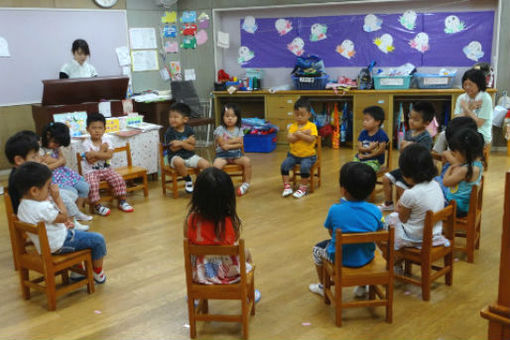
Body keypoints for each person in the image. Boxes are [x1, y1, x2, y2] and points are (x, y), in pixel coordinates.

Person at [14, 162, 107, 284]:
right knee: (98, 240)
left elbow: (47, 222)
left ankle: (77, 272)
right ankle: (97, 273)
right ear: (35, 191)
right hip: (59, 244)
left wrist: (62, 224)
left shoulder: (22, 206)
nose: (50, 190)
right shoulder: (42, 207)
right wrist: (57, 198)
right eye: (48, 187)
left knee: (77, 233)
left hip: (46, 245)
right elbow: (64, 216)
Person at [184, 167, 260, 301]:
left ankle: (195, 297)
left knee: (200, 257)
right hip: (226, 274)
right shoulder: (231, 222)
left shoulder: (190, 220)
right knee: (246, 252)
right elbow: (233, 242)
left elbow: (188, 239)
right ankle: (249, 291)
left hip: (200, 275)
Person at [308, 162, 383, 298]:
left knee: (316, 250)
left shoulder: (335, 209)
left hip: (340, 259)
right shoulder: (375, 211)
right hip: (366, 257)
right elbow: (379, 231)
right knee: (363, 242)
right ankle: (361, 286)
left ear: (343, 190)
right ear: (371, 189)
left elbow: (331, 232)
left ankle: (322, 286)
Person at [5, 131, 89, 231]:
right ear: (19, 160)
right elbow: (38, 197)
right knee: (63, 199)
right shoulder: (22, 177)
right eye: (34, 156)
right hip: (33, 213)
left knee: (70, 194)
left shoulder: (23, 172)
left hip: (36, 206)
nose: (38, 158)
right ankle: (69, 224)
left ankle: (70, 220)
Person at [384, 144, 446, 256]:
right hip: (434, 232)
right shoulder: (436, 184)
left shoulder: (410, 194)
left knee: (385, 223)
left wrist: (398, 209)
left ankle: (394, 263)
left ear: (406, 173)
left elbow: (402, 219)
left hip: (415, 237)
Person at [379, 102, 435, 211]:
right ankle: (389, 203)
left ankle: (407, 208)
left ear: (426, 123)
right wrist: (402, 147)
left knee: (400, 185)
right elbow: (402, 152)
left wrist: (411, 146)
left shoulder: (426, 137)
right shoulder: (409, 133)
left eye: (416, 119)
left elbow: (423, 156)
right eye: (410, 117)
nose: (411, 121)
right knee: (386, 178)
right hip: (405, 168)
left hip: (416, 172)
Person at [81, 113, 133, 216]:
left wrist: (95, 153)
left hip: (107, 169)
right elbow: (90, 160)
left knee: (118, 179)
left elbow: (109, 155)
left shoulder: (107, 140)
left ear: (104, 129)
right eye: (93, 128)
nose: (97, 130)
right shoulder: (86, 143)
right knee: (92, 184)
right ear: (87, 129)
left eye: (100, 128)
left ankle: (122, 201)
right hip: (91, 171)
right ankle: (97, 205)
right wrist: (102, 150)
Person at [41, 122, 91, 220]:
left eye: (59, 144)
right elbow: (45, 168)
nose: (56, 146)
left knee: (85, 187)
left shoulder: (57, 146)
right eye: (55, 143)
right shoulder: (40, 149)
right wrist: (59, 162)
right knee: (72, 192)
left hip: (64, 174)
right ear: (48, 135)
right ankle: (71, 214)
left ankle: (77, 212)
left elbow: (63, 161)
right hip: (52, 179)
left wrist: (55, 161)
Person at [163, 103, 210, 193]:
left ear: (185, 119)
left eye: (175, 117)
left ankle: (198, 183)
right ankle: (188, 181)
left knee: (206, 164)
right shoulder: (170, 132)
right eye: (170, 117)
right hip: (175, 157)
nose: (172, 119)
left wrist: (180, 143)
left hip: (190, 156)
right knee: (179, 162)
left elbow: (192, 147)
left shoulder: (189, 129)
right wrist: (187, 141)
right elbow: (173, 149)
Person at [441, 128, 484, 217]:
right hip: (465, 206)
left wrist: (450, 168)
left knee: (432, 194)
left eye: (455, 153)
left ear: (464, 152)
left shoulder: (465, 170)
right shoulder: (479, 165)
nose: (454, 156)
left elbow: (445, 182)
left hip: (456, 207)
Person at [281, 98, 318, 199]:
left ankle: (303, 187)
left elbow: (311, 139)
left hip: (308, 156)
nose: (299, 117)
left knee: (304, 167)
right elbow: (290, 139)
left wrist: (298, 134)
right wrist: (302, 133)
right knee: (284, 165)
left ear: (309, 115)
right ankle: (287, 186)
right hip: (293, 155)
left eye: (302, 114)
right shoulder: (293, 126)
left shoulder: (312, 126)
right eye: (297, 115)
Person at [213, 103, 252, 196]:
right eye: (227, 116)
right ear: (222, 117)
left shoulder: (239, 129)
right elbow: (222, 145)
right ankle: (219, 186)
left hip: (236, 155)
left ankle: (246, 184)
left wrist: (228, 143)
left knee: (247, 162)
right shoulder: (220, 129)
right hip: (222, 155)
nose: (230, 118)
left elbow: (241, 144)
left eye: (233, 116)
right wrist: (235, 141)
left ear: (237, 117)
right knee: (216, 166)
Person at [454, 68, 493, 144]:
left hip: (481, 133)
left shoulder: (485, 98)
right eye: (465, 84)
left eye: (470, 85)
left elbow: (479, 123)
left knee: (458, 140)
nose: (467, 87)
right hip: (463, 130)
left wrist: (466, 109)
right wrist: (470, 109)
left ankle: (454, 155)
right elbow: (455, 120)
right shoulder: (461, 98)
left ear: (479, 84)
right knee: (443, 135)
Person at [353, 106, 389, 172]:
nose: (364, 122)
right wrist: (369, 148)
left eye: (367, 120)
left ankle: (364, 181)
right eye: (363, 120)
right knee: (351, 168)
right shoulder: (363, 132)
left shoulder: (381, 134)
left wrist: (367, 156)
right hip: (361, 158)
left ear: (377, 122)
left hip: (374, 161)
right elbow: (359, 147)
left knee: (366, 171)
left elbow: (380, 151)